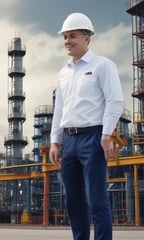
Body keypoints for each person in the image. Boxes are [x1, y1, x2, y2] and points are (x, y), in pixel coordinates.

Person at [49, 12, 124, 240]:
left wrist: (106, 135)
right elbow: (59, 109)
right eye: (64, 37)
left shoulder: (103, 65)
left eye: (72, 36)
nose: (67, 41)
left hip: (93, 136)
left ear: (87, 38)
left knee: (97, 199)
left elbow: (115, 100)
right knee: (73, 201)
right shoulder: (63, 73)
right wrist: (54, 141)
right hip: (69, 141)